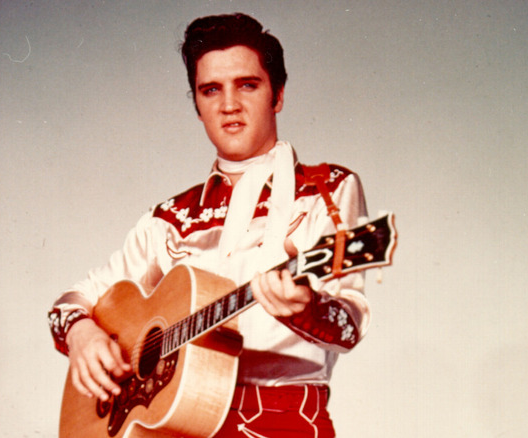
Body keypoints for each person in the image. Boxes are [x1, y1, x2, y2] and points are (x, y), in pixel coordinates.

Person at [49, 13, 372, 437]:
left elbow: (348, 321)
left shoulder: (326, 190)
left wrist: (307, 307)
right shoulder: (169, 217)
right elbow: (74, 301)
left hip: (284, 420)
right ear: (197, 105)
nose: (229, 105)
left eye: (248, 85)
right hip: (177, 426)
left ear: (277, 95)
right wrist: (81, 334)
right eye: (211, 90)